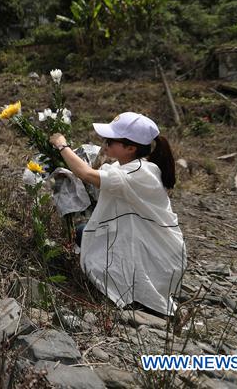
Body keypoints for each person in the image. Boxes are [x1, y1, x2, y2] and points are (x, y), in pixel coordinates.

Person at [49, 112, 186, 316]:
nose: (105, 143)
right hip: (152, 244)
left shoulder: (137, 173)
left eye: (111, 140)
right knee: (84, 233)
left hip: (158, 257)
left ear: (130, 148)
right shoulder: (139, 165)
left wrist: (62, 146)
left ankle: (136, 295)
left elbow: (86, 174)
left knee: (86, 237)